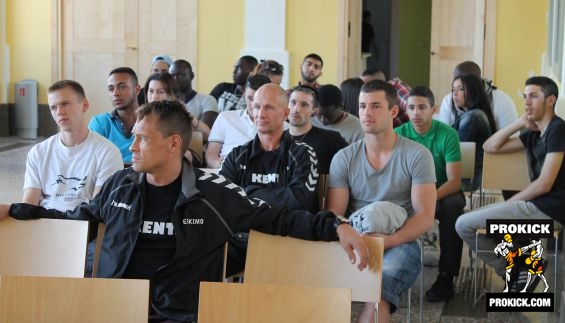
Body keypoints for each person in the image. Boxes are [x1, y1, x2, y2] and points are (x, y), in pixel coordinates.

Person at [0, 100, 369, 323]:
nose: (132, 146)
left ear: (174, 143)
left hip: (179, 314)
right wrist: (14, 210)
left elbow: (277, 217)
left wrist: (335, 225)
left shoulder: (213, 194)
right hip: (110, 308)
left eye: (142, 138)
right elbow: (75, 220)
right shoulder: (120, 186)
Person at [327, 80, 436, 323]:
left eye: (376, 106)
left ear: (394, 111)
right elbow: (335, 215)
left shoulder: (418, 155)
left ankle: (371, 313)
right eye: (362, 106)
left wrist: (388, 241)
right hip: (355, 238)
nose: (366, 112)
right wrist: (356, 239)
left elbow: (424, 215)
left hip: (401, 241)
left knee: (382, 284)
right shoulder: (344, 158)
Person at [455, 76, 565, 292]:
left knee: (464, 225)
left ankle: (516, 269)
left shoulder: (558, 130)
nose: (527, 102)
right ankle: (521, 268)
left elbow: (544, 183)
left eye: (533, 96)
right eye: (525, 96)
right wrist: (520, 123)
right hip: (537, 207)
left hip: (551, 211)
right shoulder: (534, 134)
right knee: (466, 223)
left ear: (550, 100)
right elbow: (489, 146)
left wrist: (512, 202)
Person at [395, 86, 466, 302]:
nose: (416, 113)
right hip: (407, 195)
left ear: (433, 109)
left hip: (442, 195)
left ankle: (446, 276)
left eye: (422, 107)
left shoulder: (448, 134)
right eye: (411, 107)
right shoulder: (398, 134)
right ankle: (392, 271)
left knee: (454, 207)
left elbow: (454, 182)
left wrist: (428, 198)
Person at [24, 80, 123, 211]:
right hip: (44, 223)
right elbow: (29, 204)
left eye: (65, 104)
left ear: (85, 105)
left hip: (84, 225)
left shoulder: (108, 152)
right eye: (53, 107)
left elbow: (98, 208)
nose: (59, 112)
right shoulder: (38, 152)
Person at [220, 83, 319, 212]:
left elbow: (299, 201)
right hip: (245, 230)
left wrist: (247, 191)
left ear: (285, 114)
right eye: (256, 107)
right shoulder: (237, 155)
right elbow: (221, 197)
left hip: (288, 231)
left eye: (269, 108)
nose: (261, 114)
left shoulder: (303, 154)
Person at [205, 74, 271, 168]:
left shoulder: (282, 126)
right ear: (244, 95)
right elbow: (211, 155)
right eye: (250, 98)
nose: (253, 104)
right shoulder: (225, 117)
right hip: (227, 173)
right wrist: (222, 168)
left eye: (259, 99)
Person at [438, 61, 518, 131]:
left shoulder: (502, 101)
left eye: (462, 88)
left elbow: (512, 139)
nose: (455, 94)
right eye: (454, 87)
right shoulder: (448, 100)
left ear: (475, 85)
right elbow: (442, 136)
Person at [286, 85, 348, 174]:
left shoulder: (331, 139)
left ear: (315, 111)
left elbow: (352, 167)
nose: (296, 109)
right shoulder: (276, 139)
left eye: (304, 105)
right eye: (293, 102)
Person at [450, 73, 497, 189]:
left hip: (468, 181)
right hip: (469, 178)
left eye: (461, 89)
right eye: (453, 89)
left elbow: (456, 150)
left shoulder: (473, 117)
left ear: (473, 91)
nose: (454, 94)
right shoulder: (473, 114)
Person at [89, 67, 141, 166]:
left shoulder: (150, 122)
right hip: (108, 178)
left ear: (137, 89)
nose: (115, 93)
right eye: (111, 89)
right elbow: (93, 161)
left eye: (122, 87)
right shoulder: (100, 122)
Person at [169, 59, 218, 130]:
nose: (176, 79)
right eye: (172, 76)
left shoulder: (208, 100)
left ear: (192, 75)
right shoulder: (166, 102)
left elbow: (204, 133)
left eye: (181, 75)